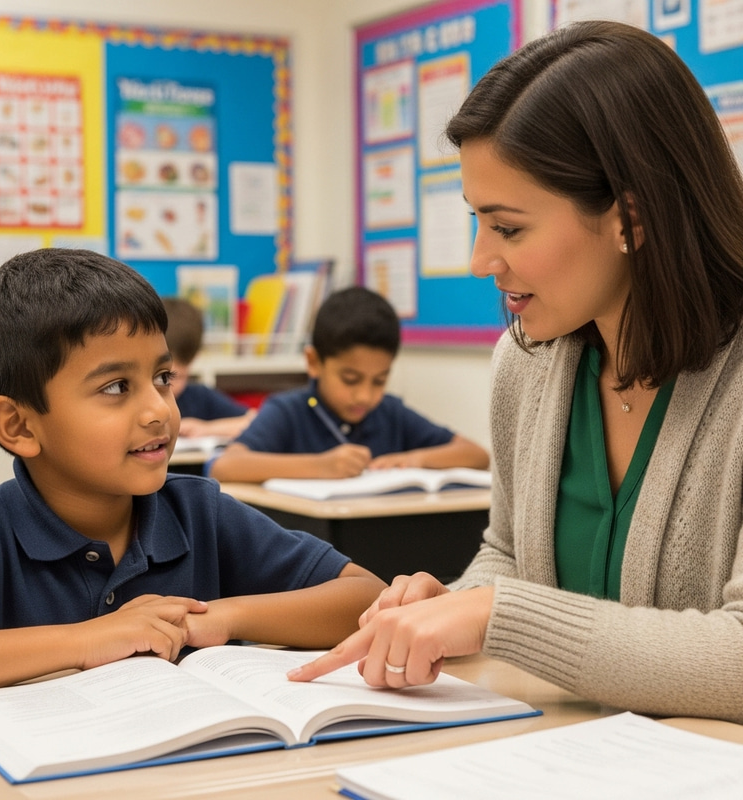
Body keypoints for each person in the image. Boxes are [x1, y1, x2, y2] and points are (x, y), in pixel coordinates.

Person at [288, 21, 743, 724]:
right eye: (475, 221)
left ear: (633, 215)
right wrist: (450, 604)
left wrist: (497, 613)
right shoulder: (527, 365)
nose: (479, 260)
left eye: (508, 228)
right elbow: (510, 555)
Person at [0, 248, 386, 696]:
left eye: (162, 377)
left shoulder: (197, 512)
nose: (159, 410)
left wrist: (221, 617)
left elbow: (367, 597)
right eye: (116, 387)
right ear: (17, 425)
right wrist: (88, 639)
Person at [210, 286, 489, 482]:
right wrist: (319, 466)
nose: (365, 396)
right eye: (350, 380)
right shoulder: (290, 411)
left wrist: (416, 460)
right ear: (314, 362)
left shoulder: (389, 412)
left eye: (379, 381)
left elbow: (476, 455)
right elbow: (224, 466)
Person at [162, 296, 255, 439]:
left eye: (179, 376)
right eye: (162, 378)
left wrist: (207, 429)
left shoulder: (199, 397)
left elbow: (257, 421)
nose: (170, 387)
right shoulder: (140, 400)